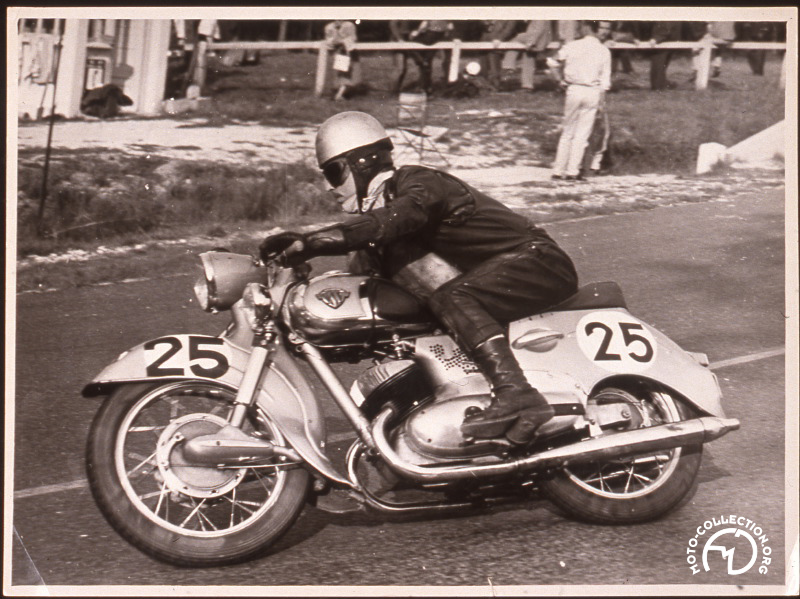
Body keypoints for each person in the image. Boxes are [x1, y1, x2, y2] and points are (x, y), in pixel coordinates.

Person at [259, 111, 579, 445]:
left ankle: (518, 396)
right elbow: (358, 286)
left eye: (333, 171)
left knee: (453, 298)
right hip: (498, 276)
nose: (329, 186)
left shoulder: (420, 184)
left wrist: (312, 242)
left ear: (362, 163)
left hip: (538, 261)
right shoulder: (379, 240)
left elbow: (395, 220)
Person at [549, 21, 612, 181]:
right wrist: (602, 103)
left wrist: (559, 80)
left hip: (574, 89)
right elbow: (605, 81)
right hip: (592, 91)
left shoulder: (572, 45)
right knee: (582, 134)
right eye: (603, 29)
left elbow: (552, 62)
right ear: (594, 30)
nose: (605, 32)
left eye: (607, 29)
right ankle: (572, 171)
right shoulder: (604, 51)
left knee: (567, 131)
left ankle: (558, 170)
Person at [501, 20, 551, 91]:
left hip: (537, 39)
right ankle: (527, 85)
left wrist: (531, 42)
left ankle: (509, 65)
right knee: (529, 58)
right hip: (539, 38)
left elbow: (538, 29)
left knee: (516, 39)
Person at [324, 20, 362, 101]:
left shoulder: (349, 25)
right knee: (343, 74)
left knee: (347, 74)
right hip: (337, 52)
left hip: (347, 51)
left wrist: (341, 41)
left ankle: (340, 93)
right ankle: (339, 95)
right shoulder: (329, 27)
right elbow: (329, 42)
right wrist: (337, 42)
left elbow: (353, 38)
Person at [648, 21, 681, 90]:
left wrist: (656, 38)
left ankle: (658, 86)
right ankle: (660, 84)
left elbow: (666, 25)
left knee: (658, 62)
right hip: (667, 38)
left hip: (663, 40)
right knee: (661, 64)